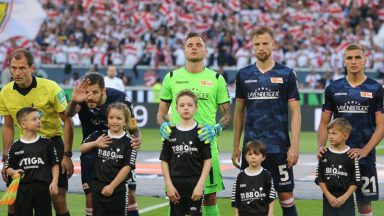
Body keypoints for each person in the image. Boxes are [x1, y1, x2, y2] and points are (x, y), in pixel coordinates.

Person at [157, 32, 232, 216]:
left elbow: (228, 115)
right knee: (174, 196)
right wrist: (163, 124)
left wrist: (216, 128)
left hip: (206, 146)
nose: (194, 47)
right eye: (189, 45)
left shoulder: (216, 79)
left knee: (210, 198)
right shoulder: (172, 77)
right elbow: (160, 113)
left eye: (198, 45)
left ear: (206, 51)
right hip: (177, 147)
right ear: (184, 50)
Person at [232, 26, 301, 216]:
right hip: (251, 149)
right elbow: (239, 113)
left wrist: (294, 145)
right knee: (251, 199)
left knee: (286, 196)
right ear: (252, 47)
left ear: (273, 44)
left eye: (265, 43)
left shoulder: (287, 74)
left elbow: (296, 112)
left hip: (279, 147)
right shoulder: (243, 75)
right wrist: (236, 146)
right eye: (257, 44)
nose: (261, 48)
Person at [0, 48, 73, 216]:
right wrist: (5, 159)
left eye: (22, 68)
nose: (17, 72)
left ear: (32, 68)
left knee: (58, 197)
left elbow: (67, 120)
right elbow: (8, 126)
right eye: (13, 68)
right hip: (24, 146)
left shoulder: (51, 88)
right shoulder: (5, 92)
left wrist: (67, 155)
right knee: (14, 198)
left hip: (52, 144)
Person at [317, 43, 384, 216]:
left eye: (357, 57)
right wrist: (320, 146)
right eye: (349, 58)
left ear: (365, 61)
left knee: (364, 205)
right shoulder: (333, 88)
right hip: (337, 158)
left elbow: (382, 125)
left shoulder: (376, 88)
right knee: (336, 204)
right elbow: (324, 122)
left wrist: (365, 150)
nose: (353, 61)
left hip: (364, 158)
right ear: (344, 62)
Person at [65, 72, 141, 216]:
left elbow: (133, 128)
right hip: (91, 149)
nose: (90, 96)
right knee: (90, 197)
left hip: (118, 149)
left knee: (129, 194)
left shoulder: (120, 99)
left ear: (104, 91)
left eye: (95, 92)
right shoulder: (82, 97)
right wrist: (75, 100)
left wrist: (137, 140)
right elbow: (69, 114)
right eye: (88, 92)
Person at [160, 90, 212, 216]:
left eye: (190, 105)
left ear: (196, 108)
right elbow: (164, 160)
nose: (186, 108)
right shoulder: (169, 131)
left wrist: (201, 185)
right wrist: (169, 185)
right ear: (176, 108)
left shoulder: (201, 131)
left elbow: (207, 160)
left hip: (195, 183)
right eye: (182, 105)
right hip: (175, 185)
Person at [80, 102, 137, 216]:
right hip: (97, 187)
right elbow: (82, 148)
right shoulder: (99, 135)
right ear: (107, 119)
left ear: (125, 122)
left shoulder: (130, 142)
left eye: (119, 118)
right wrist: (95, 144)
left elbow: (127, 168)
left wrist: (111, 187)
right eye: (111, 117)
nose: (114, 121)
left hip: (118, 189)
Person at [5, 107, 59, 216]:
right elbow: (8, 168)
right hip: (22, 190)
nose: (39, 121)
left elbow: (55, 164)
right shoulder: (15, 146)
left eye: (39, 118)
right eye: (34, 119)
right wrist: (14, 172)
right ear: (23, 125)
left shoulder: (46, 143)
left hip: (43, 190)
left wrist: (54, 182)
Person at [315, 118, 361, 216]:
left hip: (347, 200)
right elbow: (319, 178)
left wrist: (344, 198)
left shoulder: (351, 155)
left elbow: (356, 180)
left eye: (334, 133)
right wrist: (328, 196)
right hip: (328, 199)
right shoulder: (324, 154)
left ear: (345, 136)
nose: (330, 136)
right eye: (329, 133)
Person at [231, 140, 276, 216]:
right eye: (250, 154)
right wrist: (236, 213)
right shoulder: (240, 176)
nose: (253, 157)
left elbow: (271, 196)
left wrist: (270, 213)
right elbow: (235, 197)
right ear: (245, 157)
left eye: (257, 154)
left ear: (263, 157)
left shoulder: (266, 175)